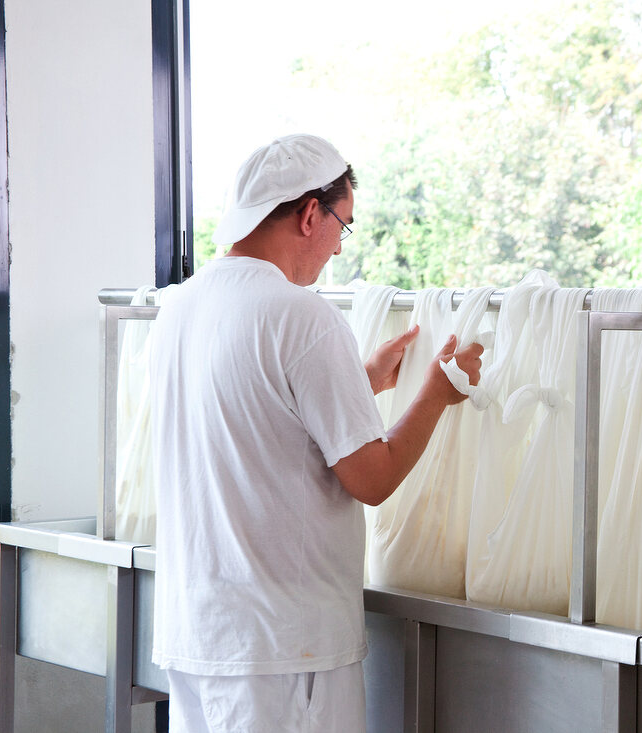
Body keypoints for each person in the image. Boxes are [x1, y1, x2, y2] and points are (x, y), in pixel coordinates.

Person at [148, 133, 482, 732]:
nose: (335, 249)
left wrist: (358, 383)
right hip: (283, 652)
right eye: (342, 226)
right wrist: (438, 393)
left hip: (197, 635)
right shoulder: (301, 316)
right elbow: (372, 478)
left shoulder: (179, 308)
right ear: (310, 214)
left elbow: (252, 419)